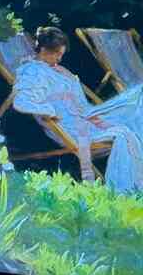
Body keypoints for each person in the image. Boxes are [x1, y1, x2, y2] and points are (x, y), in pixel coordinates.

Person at [13, 26, 143, 192]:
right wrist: (50, 110)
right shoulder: (32, 71)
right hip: (70, 126)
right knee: (125, 130)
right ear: (44, 50)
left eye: (61, 54)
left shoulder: (54, 69)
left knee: (137, 99)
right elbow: (21, 102)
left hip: (85, 116)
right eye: (57, 54)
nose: (59, 59)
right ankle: (126, 188)